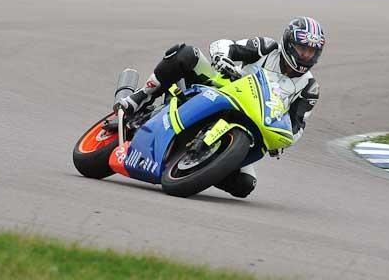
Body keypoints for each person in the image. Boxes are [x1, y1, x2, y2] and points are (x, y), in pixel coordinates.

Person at [115, 17, 325, 198]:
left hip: (255, 124)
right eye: (302, 48)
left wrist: (282, 142)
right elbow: (225, 45)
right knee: (186, 54)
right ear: (288, 43)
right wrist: (222, 58)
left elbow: (296, 126)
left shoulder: (309, 87)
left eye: (311, 52)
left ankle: (200, 167)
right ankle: (141, 97)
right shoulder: (267, 47)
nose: (306, 56)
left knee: (244, 185)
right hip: (222, 89)